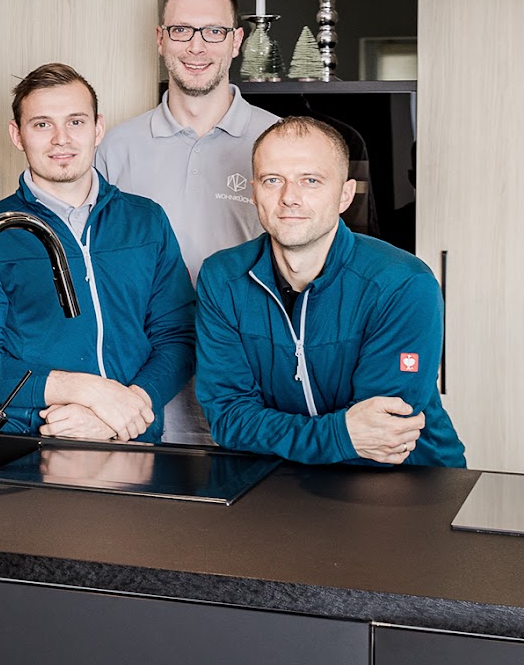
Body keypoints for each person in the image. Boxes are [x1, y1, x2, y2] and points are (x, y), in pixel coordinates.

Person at [0, 63, 194, 443]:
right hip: (32, 445)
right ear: (17, 135)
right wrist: (87, 391)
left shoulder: (147, 221)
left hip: (136, 443)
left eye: (76, 122)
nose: (61, 139)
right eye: (42, 124)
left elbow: (178, 338)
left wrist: (125, 410)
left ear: (98, 128)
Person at [196, 117, 463, 467]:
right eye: (273, 180)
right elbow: (229, 420)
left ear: (345, 195)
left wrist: (277, 434)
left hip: (412, 479)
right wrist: (340, 435)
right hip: (283, 480)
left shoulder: (402, 284)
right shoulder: (222, 278)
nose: (289, 198)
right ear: (254, 191)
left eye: (311, 180)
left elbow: (384, 438)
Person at [96, 0, 279, 445]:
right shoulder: (114, 149)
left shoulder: (279, 141)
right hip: (143, 392)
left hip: (252, 390)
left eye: (213, 31)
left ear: (236, 41)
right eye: (181, 30)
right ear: (161, 39)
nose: (196, 46)